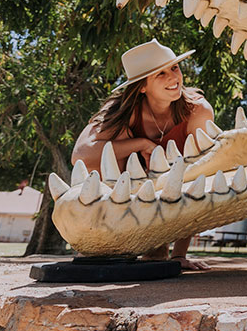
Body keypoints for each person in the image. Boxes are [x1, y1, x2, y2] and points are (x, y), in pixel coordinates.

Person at [72, 39, 214, 270]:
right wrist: (140, 143)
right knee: (108, 146)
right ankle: (98, 240)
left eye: (174, 68)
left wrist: (179, 256)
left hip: (171, 189)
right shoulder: (122, 112)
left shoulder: (197, 110)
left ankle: (162, 248)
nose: (173, 77)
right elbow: (81, 156)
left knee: (156, 255)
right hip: (128, 186)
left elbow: (198, 173)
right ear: (141, 86)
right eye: (160, 73)